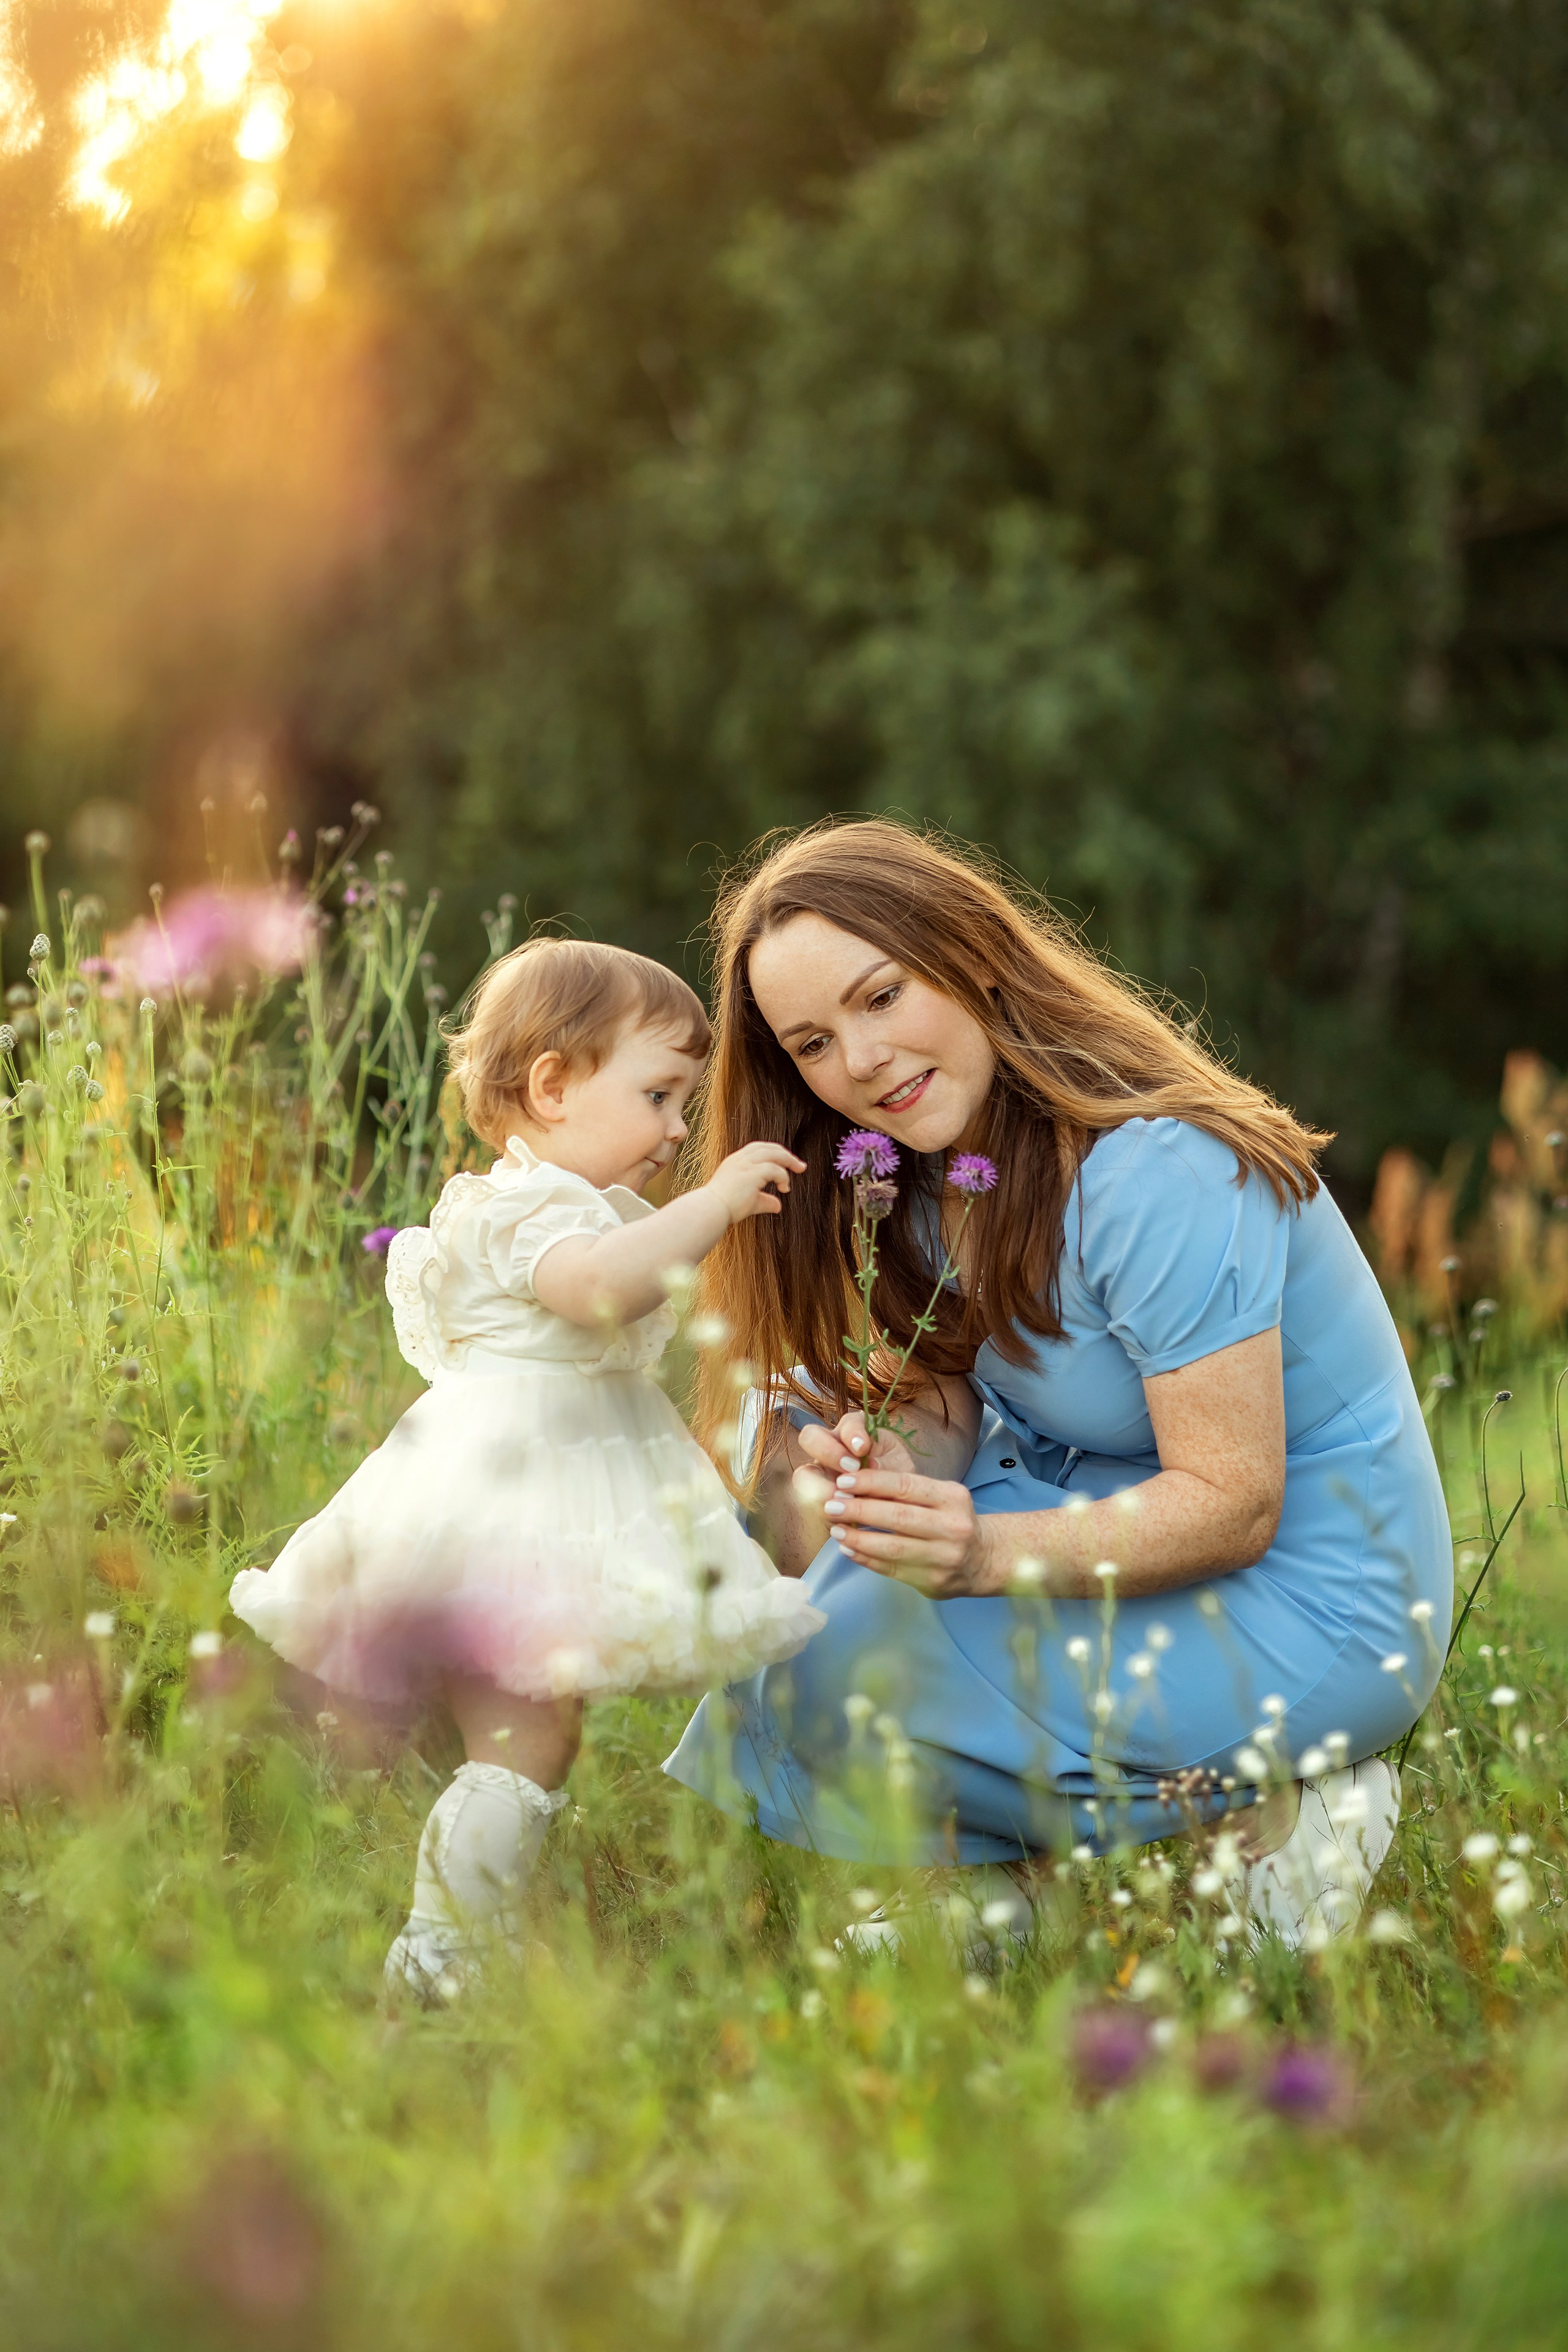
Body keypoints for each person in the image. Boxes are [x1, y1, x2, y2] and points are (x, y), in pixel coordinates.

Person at [665, 821, 1452, 1947]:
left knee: (839, 1655)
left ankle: (1292, 1797)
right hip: (1121, 1532)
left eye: (882, 996)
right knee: (788, 1618)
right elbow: (960, 1398)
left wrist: (981, 1555)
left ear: (972, 955)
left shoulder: (1161, 1168)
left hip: (1316, 1595)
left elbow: (1235, 1503)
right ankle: (1027, 1885)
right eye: (815, 1044)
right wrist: (881, 1464)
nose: (862, 1060)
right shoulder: (931, 1178)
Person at [230, 937, 821, 1999]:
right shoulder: (527, 1207)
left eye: (685, 1103)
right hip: (510, 1511)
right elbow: (598, 1291)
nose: (676, 1128)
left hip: (547, 1503)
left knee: (536, 1739)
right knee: (522, 1744)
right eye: (658, 1095)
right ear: (552, 1087)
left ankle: (472, 1935)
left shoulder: (580, 1206)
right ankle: (444, 1948)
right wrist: (717, 1202)